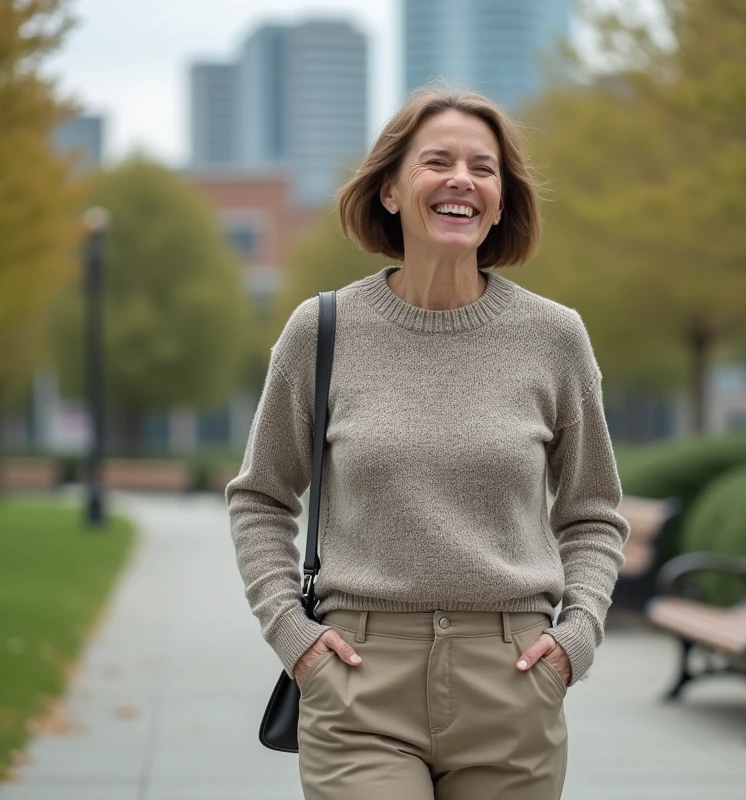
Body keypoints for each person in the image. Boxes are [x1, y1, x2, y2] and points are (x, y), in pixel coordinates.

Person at [226, 86, 630, 800]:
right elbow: (260, 498)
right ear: (389, 189)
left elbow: (593, 511)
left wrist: (576, 641)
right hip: (357, 676)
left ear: (501, 202)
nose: (461, 180)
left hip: (512, 679)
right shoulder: (321, 332)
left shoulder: (554, 337)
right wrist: (293, 635)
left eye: (484, 168)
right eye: (437, 161)